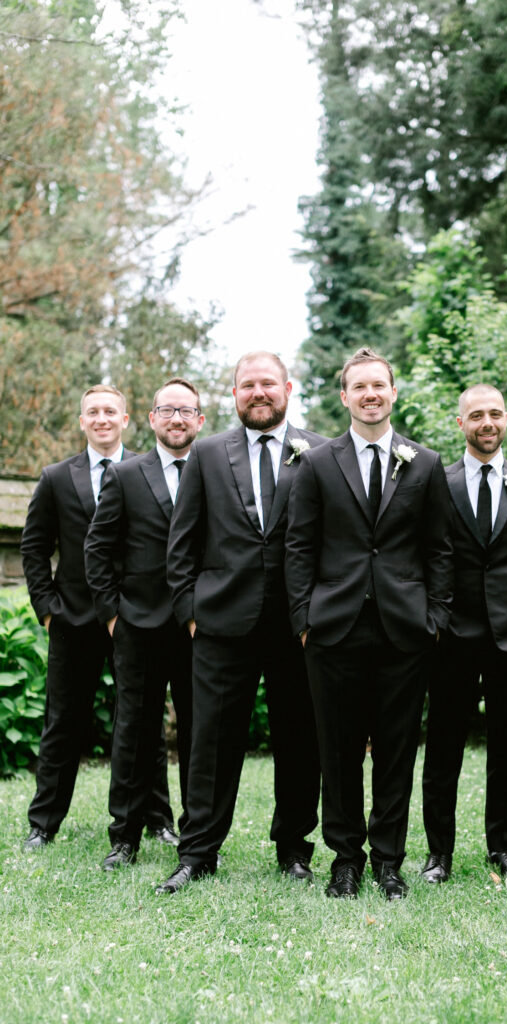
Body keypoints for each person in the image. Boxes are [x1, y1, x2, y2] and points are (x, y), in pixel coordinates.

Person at [285, 347, 453, 900]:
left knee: (397, 749)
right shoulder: (316, 462)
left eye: (379, 385)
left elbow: (439, 549)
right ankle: (346, 859)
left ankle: (388, 860)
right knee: (337, 751)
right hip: (333, 629)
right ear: (344, 397)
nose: (370, 394)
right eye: (359, 387)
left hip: (405, 631)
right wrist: (304, 618)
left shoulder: (424, 462)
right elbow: (299, 546)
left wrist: (434, 617)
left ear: (393, 392)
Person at [155, 352, 323, 895]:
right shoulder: (206, 454)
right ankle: (197, 852)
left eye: (267, 384)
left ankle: (294, 850)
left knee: (299, 740)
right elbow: (182, 542)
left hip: (297, 626)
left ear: (288, 388)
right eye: (247, 385)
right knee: (210, 744)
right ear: (234, 395)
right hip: (221, 624)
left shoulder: (319, 452)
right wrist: (189, 612)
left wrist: (315, 613)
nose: (258, 392)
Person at [20, 385, 176, 851]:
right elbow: (33, 548)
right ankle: (43, 822)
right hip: (72, 621)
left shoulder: (149, 472)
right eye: (94, 412)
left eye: (111, 411)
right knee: (63, 721)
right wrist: (47, 610)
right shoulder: (55, 477)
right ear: (82, 421)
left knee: (144, 723)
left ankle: (158, 820)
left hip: (134, 618)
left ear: (127, 418)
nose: (102, 418)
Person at [421, 384, 507, 883]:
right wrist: (434, 622)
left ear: (506, 420)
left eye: (495, 414)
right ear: (460, 423)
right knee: (442, 750)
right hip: (452, 638)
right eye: (476, 415)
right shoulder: (438, 481)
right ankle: (439, 855)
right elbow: (425, 554)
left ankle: (502, 848)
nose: (487, 423)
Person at [85, 379, 204, 870]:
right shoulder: (126, 475)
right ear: (152, 419)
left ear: (200, 420)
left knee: (200, 733)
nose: (177, 419)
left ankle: (197, 837)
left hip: (199, 628)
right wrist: (113, 615)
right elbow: (98, 550)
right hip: (137, 626)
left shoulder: (215, 469)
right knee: (133, 732)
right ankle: (125, 837)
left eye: (186, 411)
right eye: (167, 410)